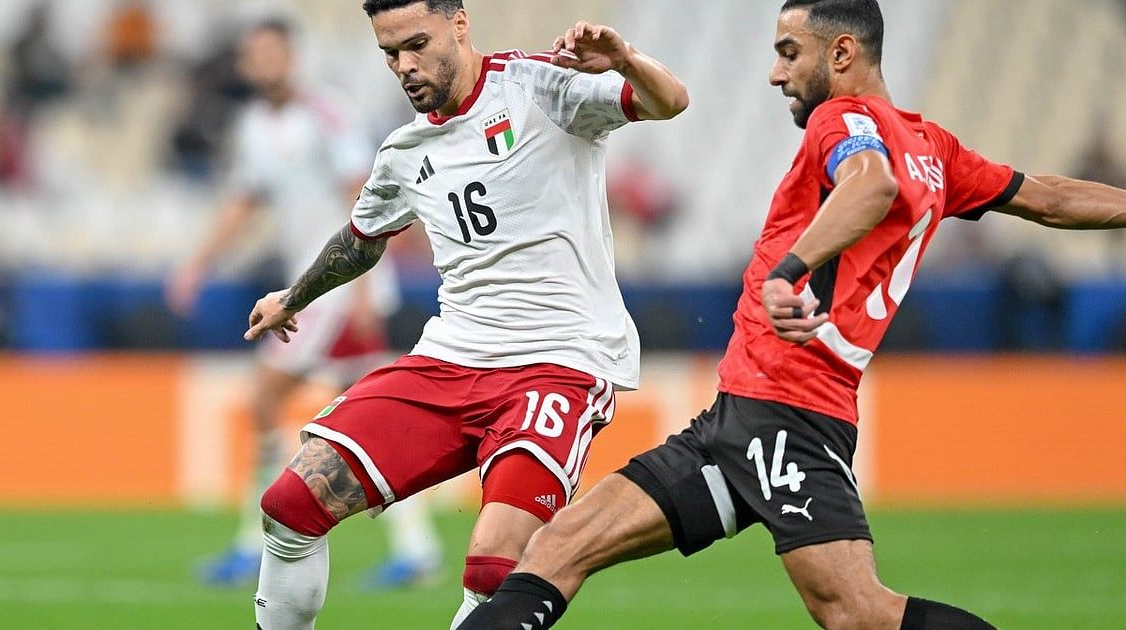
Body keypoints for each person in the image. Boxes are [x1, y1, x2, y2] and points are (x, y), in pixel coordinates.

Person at [456, 1, 1126, 629]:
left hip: (786, 414)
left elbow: (871, 182)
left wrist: (787, 272)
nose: (776, 74)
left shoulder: (844, 118)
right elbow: (1051, 199)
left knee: (857, 612)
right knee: (560, 545)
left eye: (789, 53)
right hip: (740, 417)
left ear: (841, 53)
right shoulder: (934, 150)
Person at [241, 1, 688, 627]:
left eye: (416, 44)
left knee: (493, 567)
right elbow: (360, 241)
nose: (404, 65)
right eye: (390, 52)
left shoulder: (540, 87)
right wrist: (293, 299)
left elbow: (670, 102)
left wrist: (627, 60)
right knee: (290, 503)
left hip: (557, 364)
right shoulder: (404, 150)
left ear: (459, 24)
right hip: (450, 359)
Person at [166, 18, 442, 589]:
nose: (262, 63)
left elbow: (364, 196)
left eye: (271, 52)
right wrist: (197, 264)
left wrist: (364, 287)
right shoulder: (253, 126)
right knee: (377, 417)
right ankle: (416, 548)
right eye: (254, 54)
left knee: (266, 399)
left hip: (334, 289)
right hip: (313, 288)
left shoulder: (327, 114)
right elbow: (243, 201)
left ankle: (254, 543)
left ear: (291, 56)